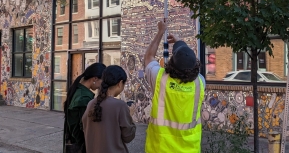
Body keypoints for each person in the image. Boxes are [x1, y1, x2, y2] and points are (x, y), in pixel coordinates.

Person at [144, 20, 205, 153]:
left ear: (172, 62)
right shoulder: (200, 83)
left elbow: (149, 56)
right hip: (190, 149)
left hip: (159, 148)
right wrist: (181, 44)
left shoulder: (159, 78)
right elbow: (188, 61)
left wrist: (160, 31)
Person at [82, 65, 136, 153]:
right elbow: (128, 136)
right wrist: (130, 117)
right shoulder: (120, 106)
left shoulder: (91, 103)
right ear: (120, 83)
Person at [63, 62, 106, 153]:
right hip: (80, 145)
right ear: (95, 79)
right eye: (102, 82)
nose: (101, 86)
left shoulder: (78, 89)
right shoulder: (83, 97)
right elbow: (82, 128)